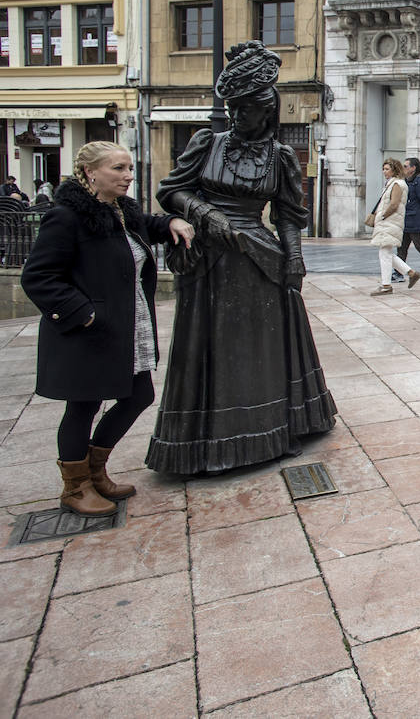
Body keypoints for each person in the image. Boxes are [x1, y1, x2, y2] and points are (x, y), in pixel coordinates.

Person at [146, 41, 337, 474]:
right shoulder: (205, 144)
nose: (236, 116)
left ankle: (270, 428)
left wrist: (294, 261)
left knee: (262, 349)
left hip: (258, 260)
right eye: (232, 108)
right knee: (209, 348)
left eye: (246, 109)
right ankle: (202, 440)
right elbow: (170, 190)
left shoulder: (281, 157)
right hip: (210, 261)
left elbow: (289, 216)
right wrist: (206, 213)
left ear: (266, 111)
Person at [22, 142, 195, 515]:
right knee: (83, 406)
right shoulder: (67, 217)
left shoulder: (120, 211)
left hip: (124, 327)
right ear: (90, 173)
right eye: (118, 169)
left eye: (129, 168)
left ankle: (95, 471)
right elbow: (38, 277)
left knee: (139, 396)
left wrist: (170, 222)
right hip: (87, 332)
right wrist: (84, 314)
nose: (128, 176)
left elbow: (148, 226)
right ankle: (75, 487)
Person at [369, 158, 420, 296]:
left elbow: (394, 204)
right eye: (383, 169)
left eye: (387, 169)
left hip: (390, 222)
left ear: (394, 170)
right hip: (389, 222)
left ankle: (386, 285)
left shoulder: (397, 184)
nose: (384, 171)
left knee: (384, 252)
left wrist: (383, 216)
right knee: (386, 253)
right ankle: (411, 273)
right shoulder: (392, 183)